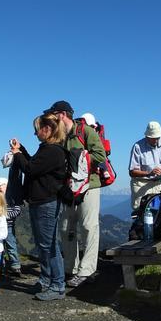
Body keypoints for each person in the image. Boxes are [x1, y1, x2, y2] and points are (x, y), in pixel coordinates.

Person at [45, 100, 106, 289]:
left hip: (90, 185)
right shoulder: (59, 136)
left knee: (88, 226)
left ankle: (86, 270)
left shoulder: (86, 132)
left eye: (54, 114)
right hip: (68, 187)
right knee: (65, 228)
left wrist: (79, 157)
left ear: (62, 114)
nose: (51, 118)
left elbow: (100, 156)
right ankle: (71, 268)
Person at [10, 112, 69, 300]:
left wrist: (18, 154)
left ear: (47, 129)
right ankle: (45, 280)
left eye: (37, 130)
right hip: (41, 202)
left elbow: (30, 168)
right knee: (44, 244)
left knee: (49, 245)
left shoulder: (53, 151)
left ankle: (57, 285)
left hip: (46, 203)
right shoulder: (48, 149)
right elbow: (34, 165)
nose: (35, 134)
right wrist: (22, 151)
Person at [129, 121, 161, 211]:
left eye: (158, 138)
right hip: (141, 184)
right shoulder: (138, 146)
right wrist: (149, 173)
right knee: (141, 211)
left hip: (157, 183)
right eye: (153, 138)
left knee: (157, 211)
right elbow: (132, 172)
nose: (156, 140)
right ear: (147, 136)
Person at [0, 173, 23, 278]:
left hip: (8, 226)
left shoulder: (12, 198)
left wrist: (4, 216)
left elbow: (17, 210)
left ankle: (15, 265)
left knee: (11, 246)